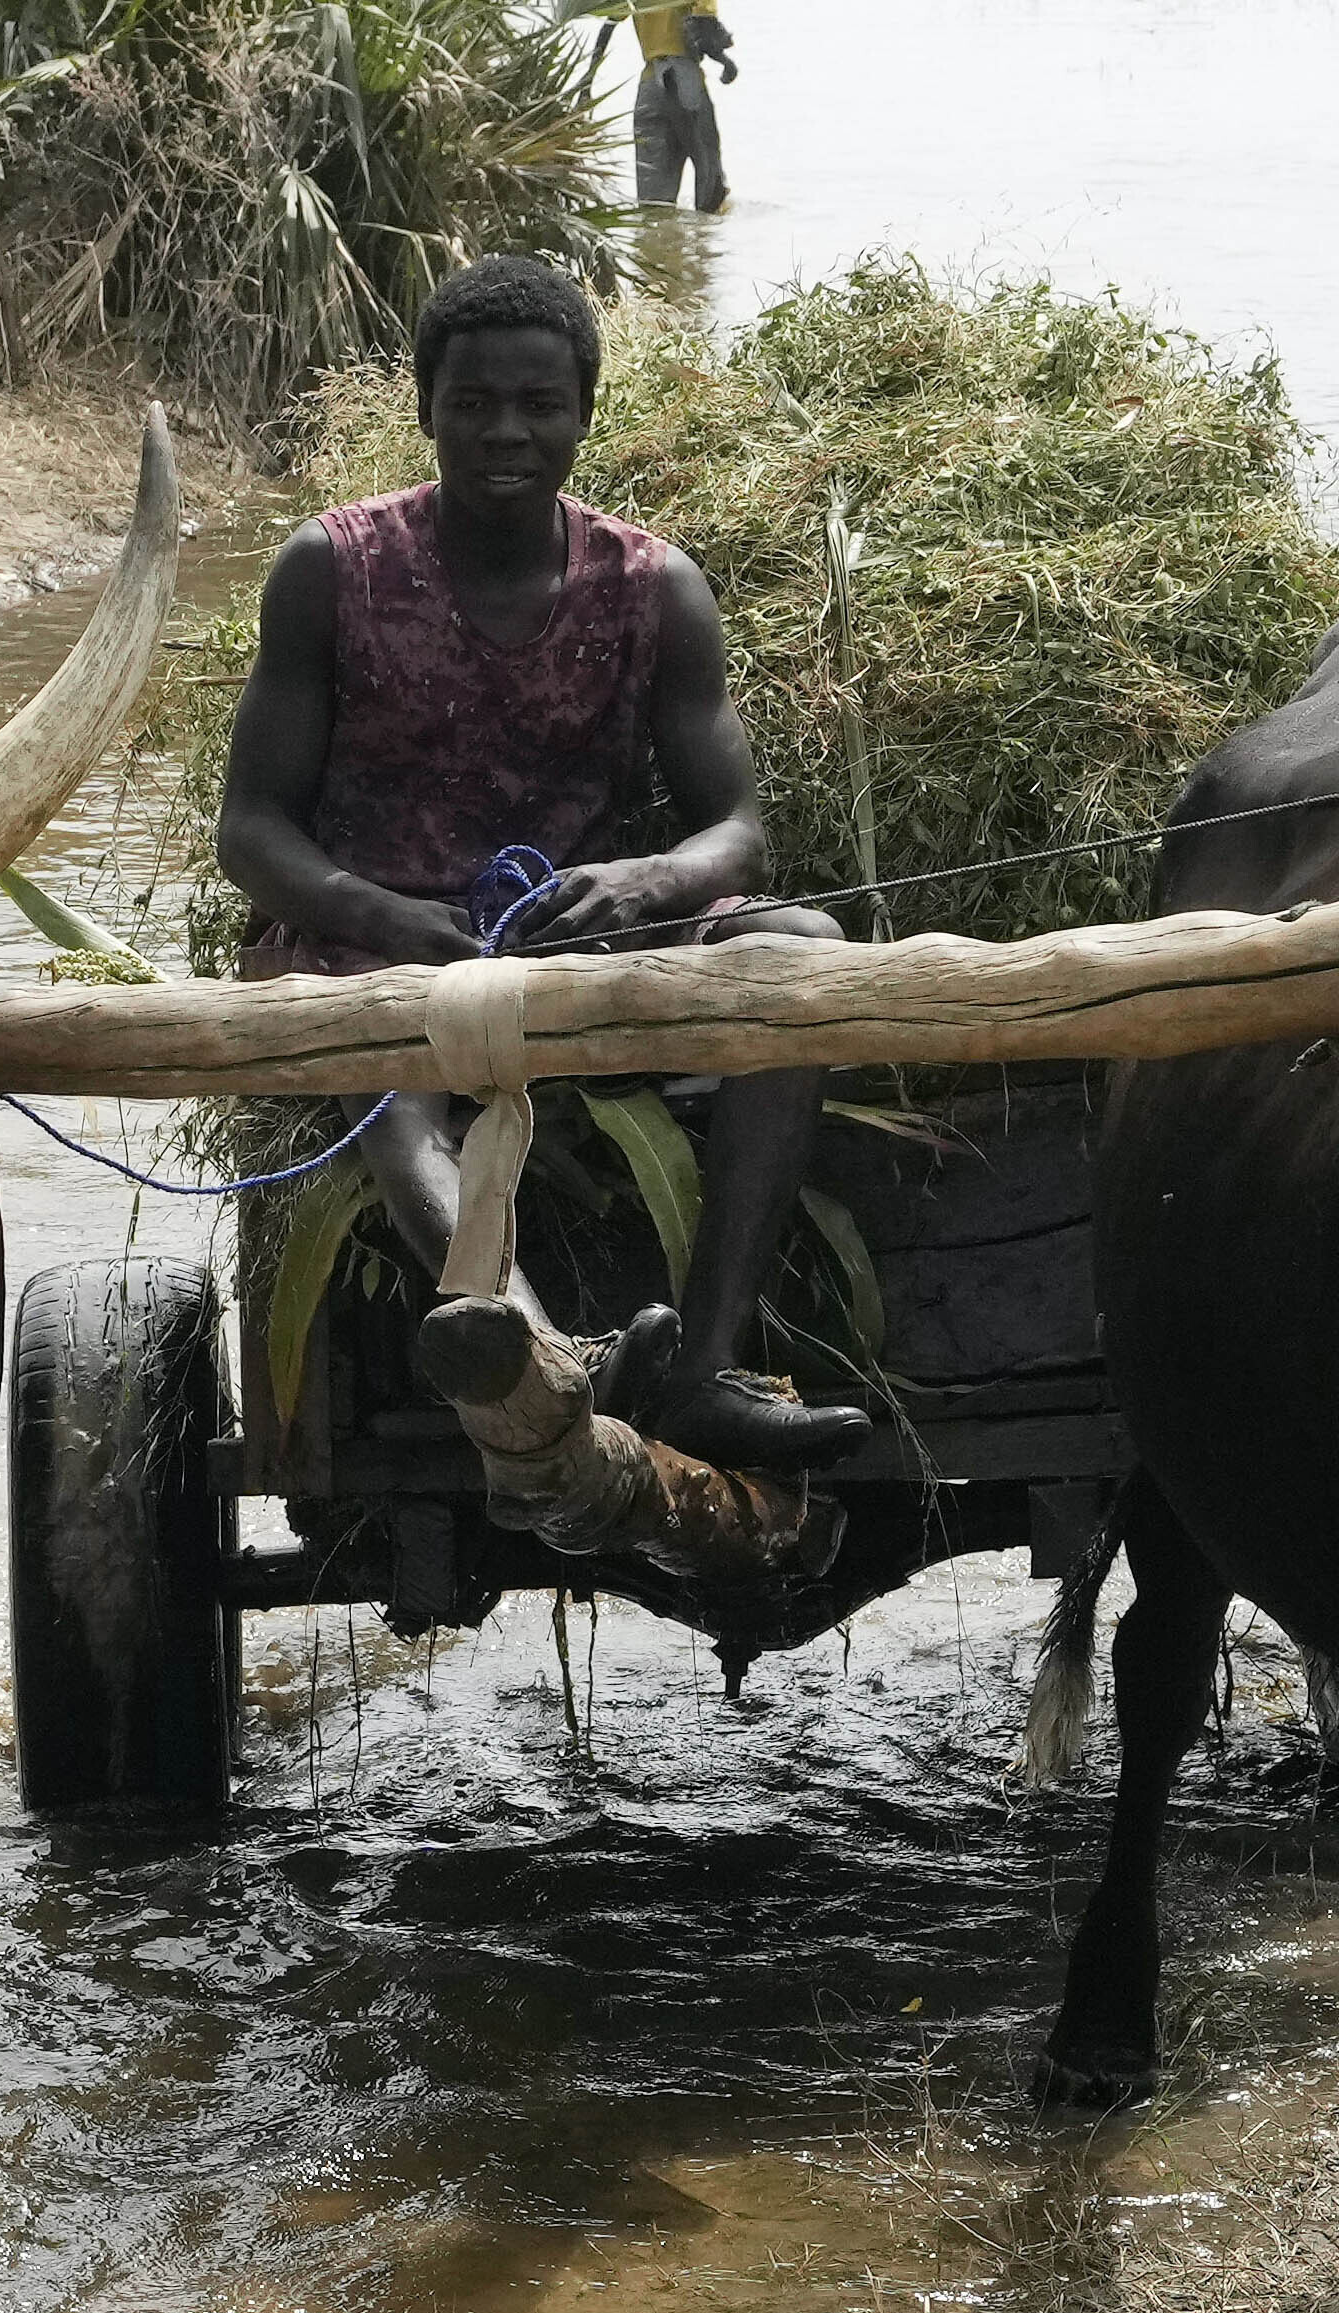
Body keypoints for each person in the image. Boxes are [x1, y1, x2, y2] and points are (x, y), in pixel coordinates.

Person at [215, 253, 872, 1473]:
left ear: (583, 411)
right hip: (385, 952)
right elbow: (251, 827)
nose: (504, 433)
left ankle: (705, 1367)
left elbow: (732, 823)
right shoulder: (331, 568)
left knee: (803, 950)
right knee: (394, 1082)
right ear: (426, 409)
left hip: (589, 939)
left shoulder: (653, 585)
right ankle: (529, 1348)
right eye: (472, 404)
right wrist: (385, 914)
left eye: (537, 405)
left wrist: (647, 884)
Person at [617, 0, 734, 214]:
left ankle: (659, 254)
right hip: (686, 85)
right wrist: (726, 62)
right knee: (710, 184)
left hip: (649, 86)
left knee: (653, 204)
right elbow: (703, 29)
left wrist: (588, 78)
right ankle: (704, 253)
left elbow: (608, 23)